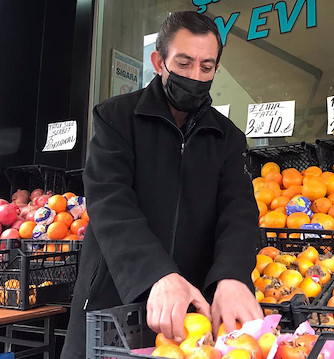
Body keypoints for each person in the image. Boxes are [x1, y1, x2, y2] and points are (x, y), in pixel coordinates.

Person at [62, 11, 262, 358]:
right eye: (184, 63)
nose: (195, 76)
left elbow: (239, 210)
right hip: (113, 304)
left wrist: (232, 276)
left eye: (206, 67)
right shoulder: (116, 118)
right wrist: (157, 274)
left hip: (190, 315)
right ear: (159, 62)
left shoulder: (227, 137)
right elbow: (110, 201)